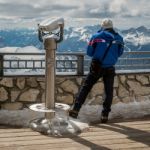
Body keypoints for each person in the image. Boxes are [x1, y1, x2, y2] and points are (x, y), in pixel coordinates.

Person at [69, 18, 124, 123]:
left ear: (102, 26)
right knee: (109, 92)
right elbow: (120, 53)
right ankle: (105, 115)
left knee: (86, 88)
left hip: (97, 67)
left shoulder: (96, 37)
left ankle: (75, 110)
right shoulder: (119, 38)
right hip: (110, 68)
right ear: (112, 26)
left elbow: (89, 52)